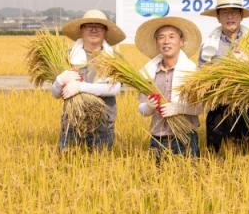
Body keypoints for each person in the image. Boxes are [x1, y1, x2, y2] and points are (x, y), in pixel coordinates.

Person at [52, 9, 126, 151]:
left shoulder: (114, 59)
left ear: (105, 31)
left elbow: (115, 88)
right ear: (81, 30)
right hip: (72, 125)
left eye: (99, 26)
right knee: (68, 168)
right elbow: (55, 93)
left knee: (100, 168)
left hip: (103, 126)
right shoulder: (67, 56)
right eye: (88, 25)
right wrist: (60, 80)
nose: (93, 29)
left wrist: (80, 87)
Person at [135, 16, 203, 163]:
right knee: (157, 182)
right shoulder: (148, 73)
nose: (166, 41)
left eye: (172, 36)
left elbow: (199, 107)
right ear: (157, 42)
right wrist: (148, 106)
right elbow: (142, 110)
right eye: (161, 37)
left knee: (188, 182)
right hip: (157, 137)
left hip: (185, 137)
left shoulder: (192, 72)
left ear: (181, 42)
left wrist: (178, 108)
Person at [198, 0, 249, 153]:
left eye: (234, 12)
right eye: (225, 13)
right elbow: (201, 76)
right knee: (215, 156)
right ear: (218, 17)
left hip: (247, 107)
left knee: (246, 156)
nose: (230, 17)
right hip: (218, 109)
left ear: (241, 16)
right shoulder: (209, 45)